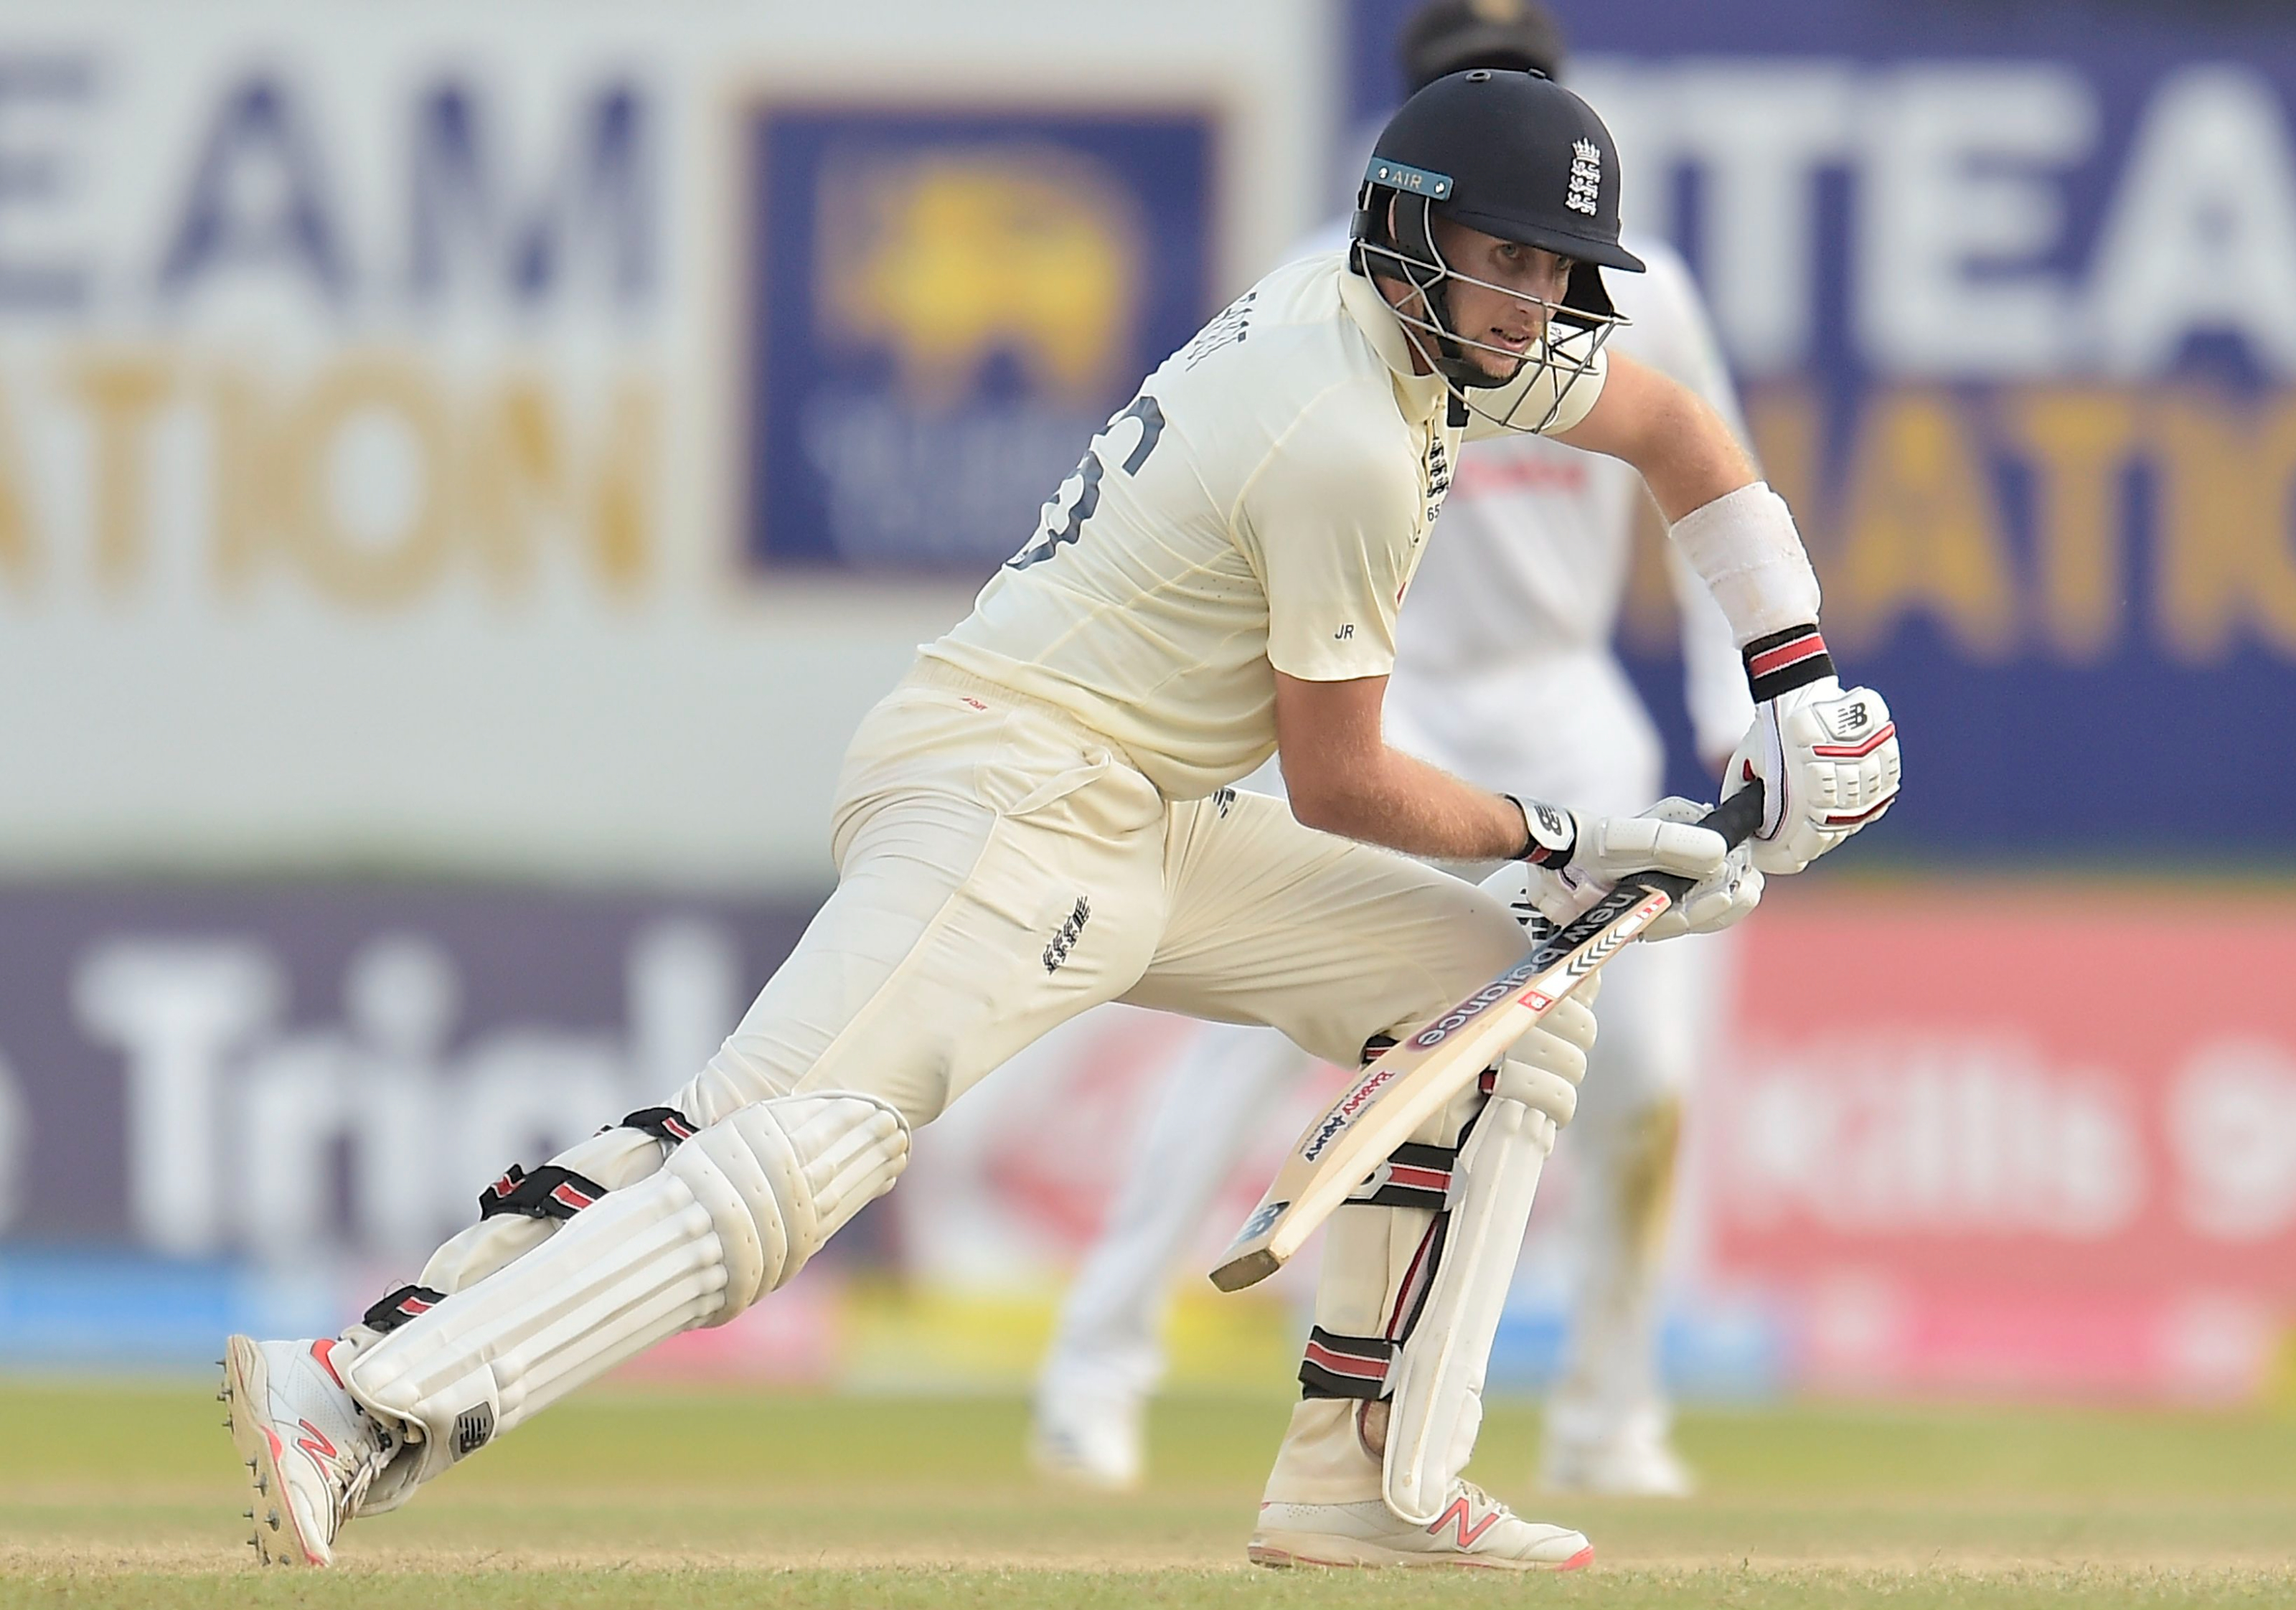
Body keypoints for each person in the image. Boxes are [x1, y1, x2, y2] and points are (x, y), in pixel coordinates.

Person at [222, 65, 1898, 1573]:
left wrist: (1796, 682)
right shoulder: (1345, 444)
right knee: (794, 1149)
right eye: (1507, 259)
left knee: (1492, 1006)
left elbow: (1680, 431)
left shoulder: (1411, 333)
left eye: (1556, 273)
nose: (1533, 305)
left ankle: (1367, 1483)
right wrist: (1580, 841)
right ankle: (366, 1397)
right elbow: (1343, 785)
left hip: (1143, 817)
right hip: (1010, 787)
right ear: (1408, 233)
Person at [1031, 0, 1751, 1501]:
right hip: (1385, 695)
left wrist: (1739, 691)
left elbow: (1703, 476)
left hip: (1560, 697)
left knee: (1648, 1071)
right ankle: (1095, 1374)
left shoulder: (1644, 290)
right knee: (1241, 1044)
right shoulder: (1315, 286)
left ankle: (1614, 1415)